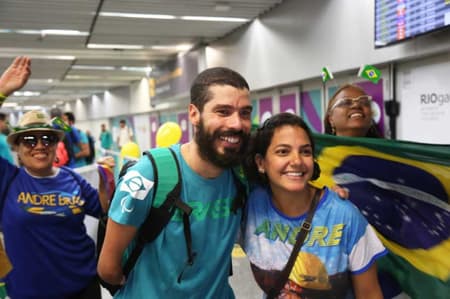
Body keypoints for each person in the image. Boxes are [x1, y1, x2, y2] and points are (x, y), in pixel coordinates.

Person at [97, 67, 253, 298]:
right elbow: (108, 269)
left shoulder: (241, 174)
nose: (237, 124)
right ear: (194, 113)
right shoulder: (147, 176)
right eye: (223, 111)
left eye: (245, 113)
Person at [241, 112, 387, 299]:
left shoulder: (344, 215)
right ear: (261, 163)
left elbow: (370, 295)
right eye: (283, 151)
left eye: (305, 151)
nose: (297, 161)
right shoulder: (252, 203)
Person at [0, 110, 109, 299]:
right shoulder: (7, 179)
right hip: (29, 293)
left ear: (56, 145)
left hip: (83, 287)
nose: (40, 146)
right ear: (17, 147)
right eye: (29, 140)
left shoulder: (72, 178)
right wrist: (2, 91)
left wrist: (105, 183)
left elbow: (104, 210)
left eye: (47, 139)